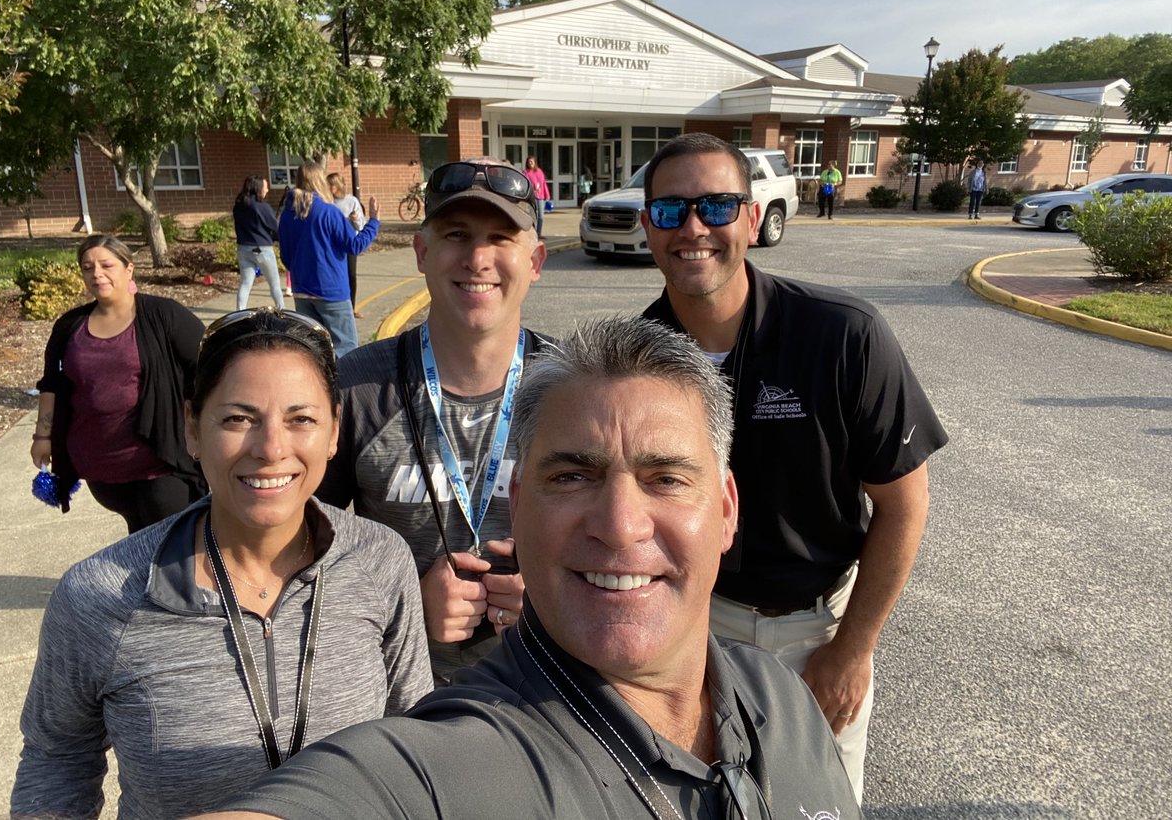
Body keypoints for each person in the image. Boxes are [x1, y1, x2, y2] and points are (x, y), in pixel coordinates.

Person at [196, 317, 861, 820]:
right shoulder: (450, 766)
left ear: (724, 511)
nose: (620, 523)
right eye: (572, 476)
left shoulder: (780, 696)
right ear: (518, 509)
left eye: (665, 478)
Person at [13, 308, 433, 819]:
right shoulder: (100, 595)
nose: (271, 448)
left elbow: (412, 739)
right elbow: (57, 759)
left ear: (333, 432)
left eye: (301, 419)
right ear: (193, 428)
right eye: (238, 419)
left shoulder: (380, 560)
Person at [639, 133, 948, 801]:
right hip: (695, 627)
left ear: (752, 219)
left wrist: (853, 649)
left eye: (717, 206)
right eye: (670, 211)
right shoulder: (640, 355)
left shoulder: (842, 335)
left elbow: (904, 504)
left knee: (820, 807)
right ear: (648, 228)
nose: (694, 228)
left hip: (818, 630)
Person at [317, 158, 548, 686]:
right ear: (422, 253)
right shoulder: (357, 388)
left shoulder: (572, 387)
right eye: (457, 235)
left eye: (500, 238)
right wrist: (405, 602)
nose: (478, 258)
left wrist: (553, 591)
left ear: (535, 261)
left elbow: (617, 534)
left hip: (549, 692)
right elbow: (298, 556)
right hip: (403, 694)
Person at [30, 235, 207, 533]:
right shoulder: (69, 326)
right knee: (137, 538)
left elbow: (209, 365)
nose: (96, 273)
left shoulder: (163, 315)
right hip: (103, 465)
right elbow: (52, 385)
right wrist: (42, 437)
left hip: (162, 460)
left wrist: (201, 426)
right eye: (88, 267)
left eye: (106, 265)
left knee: (173, 542)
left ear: (128, 270)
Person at [277, 161, 380, 358]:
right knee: (345, 350)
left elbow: (286, 258)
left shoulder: (288, 215)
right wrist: (373, 221)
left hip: (302, 291)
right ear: (319, 182)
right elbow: (355, 246)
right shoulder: (328, 212)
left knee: (313, 350)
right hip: (331, 291)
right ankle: (343, 389)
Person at [326, 172, 375, 319]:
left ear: (339, 185)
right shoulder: (327, 202)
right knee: (336, 275)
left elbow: (361, 226)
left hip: (349, 243)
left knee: (351, 275)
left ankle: (351, 308)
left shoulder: (351, 201)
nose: (329, 188)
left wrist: (355, 219)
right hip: (333, 244)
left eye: (331, 185)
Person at [232, 176, 285, 310]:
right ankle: (282, 311)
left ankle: (240, 312)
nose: (267, 190)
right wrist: (279, 239)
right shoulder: (262, 207)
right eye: (265, 187)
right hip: (261, 249)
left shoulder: (238, 207)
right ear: (258, 188)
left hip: (244, 249)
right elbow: (274, 227)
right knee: (274, 284)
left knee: (245, 283)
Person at [522, 154, 550, 238]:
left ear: (534, 162)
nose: (530, 163)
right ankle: (531, 233)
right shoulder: (525, 172)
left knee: (541, 216)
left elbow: (543, 183)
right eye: (529, 161)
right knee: (532, 215)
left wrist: (547, 194)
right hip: (531, 197)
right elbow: (525, 184)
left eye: (532, 161)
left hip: (540, 196)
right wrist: (533, 187)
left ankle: (539, 233)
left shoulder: (539, 171)